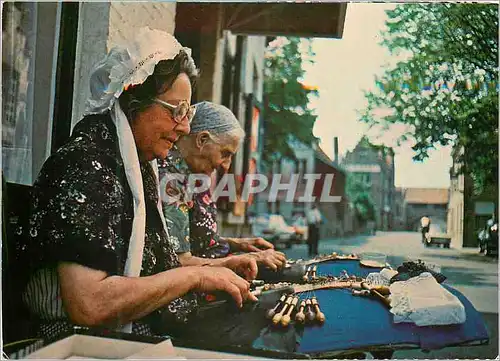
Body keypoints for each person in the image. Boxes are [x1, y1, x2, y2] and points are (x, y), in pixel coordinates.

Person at [18, 28, 258, 340]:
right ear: (136, 103)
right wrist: (194, 278)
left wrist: (208, 273)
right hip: (69, 342)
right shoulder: (86, 166)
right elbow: (89, 306)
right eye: (178, 112)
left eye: (188, 113)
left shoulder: (138, 168)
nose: (185, 126)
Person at [159, 101, 286, 271]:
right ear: (202, 139)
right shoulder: (172, 179)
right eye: (225, 154)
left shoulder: (194, 176)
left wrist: (238, 244)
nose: (226, 165)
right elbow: (178, 262)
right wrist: (247, 259)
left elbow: (198, 243)